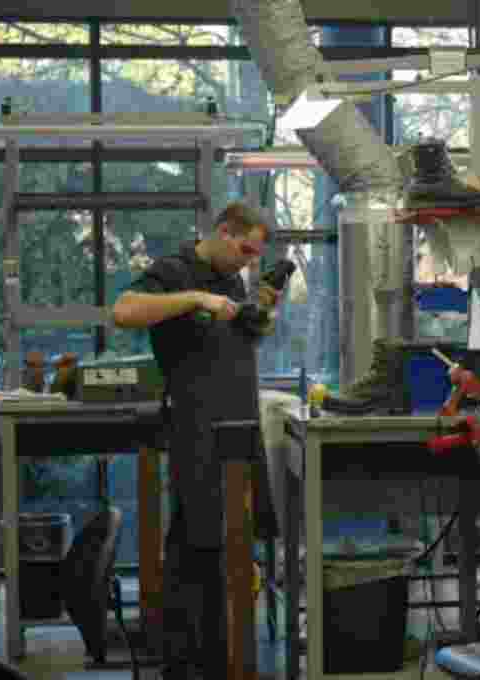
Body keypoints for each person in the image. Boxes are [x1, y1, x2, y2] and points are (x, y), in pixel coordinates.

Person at [111, 202, 282, 679]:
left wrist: (259, 315)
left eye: (255, 255)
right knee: (199, 544)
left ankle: (214, 657)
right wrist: (194, 299)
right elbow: (123, 311)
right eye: (245, 250)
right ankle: (188, 662)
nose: (249, 262)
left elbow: (231, 344)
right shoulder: (174, 270)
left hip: (237, 427)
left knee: (225, 543)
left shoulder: (232, 280)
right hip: (198, 426)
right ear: (224, 232)